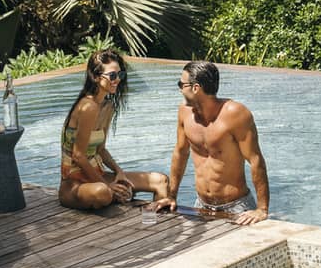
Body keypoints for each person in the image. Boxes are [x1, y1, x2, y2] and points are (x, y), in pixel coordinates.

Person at [152, 60, 269, 224]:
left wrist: (262, 209)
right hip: (202, 204)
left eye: (181, 84)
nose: (179, 89)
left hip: (237, 206)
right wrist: (171, 196)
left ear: (195, 88)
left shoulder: (236, 114)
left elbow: (256, 160)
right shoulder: (184, 113)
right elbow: (180, 153)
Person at [59, 48, 170, 210]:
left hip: (98, 175)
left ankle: (157, 225)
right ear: (96, 77)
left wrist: (119, 172)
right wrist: (108, 185)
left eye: (120, 75)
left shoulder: (108, 106)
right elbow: (78, 156)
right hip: (75, 184)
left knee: (161, 181)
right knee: (103, 192)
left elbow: (101, 150)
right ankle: (120, 194)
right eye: (112, 75)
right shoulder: (88, 106)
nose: (117, 80)